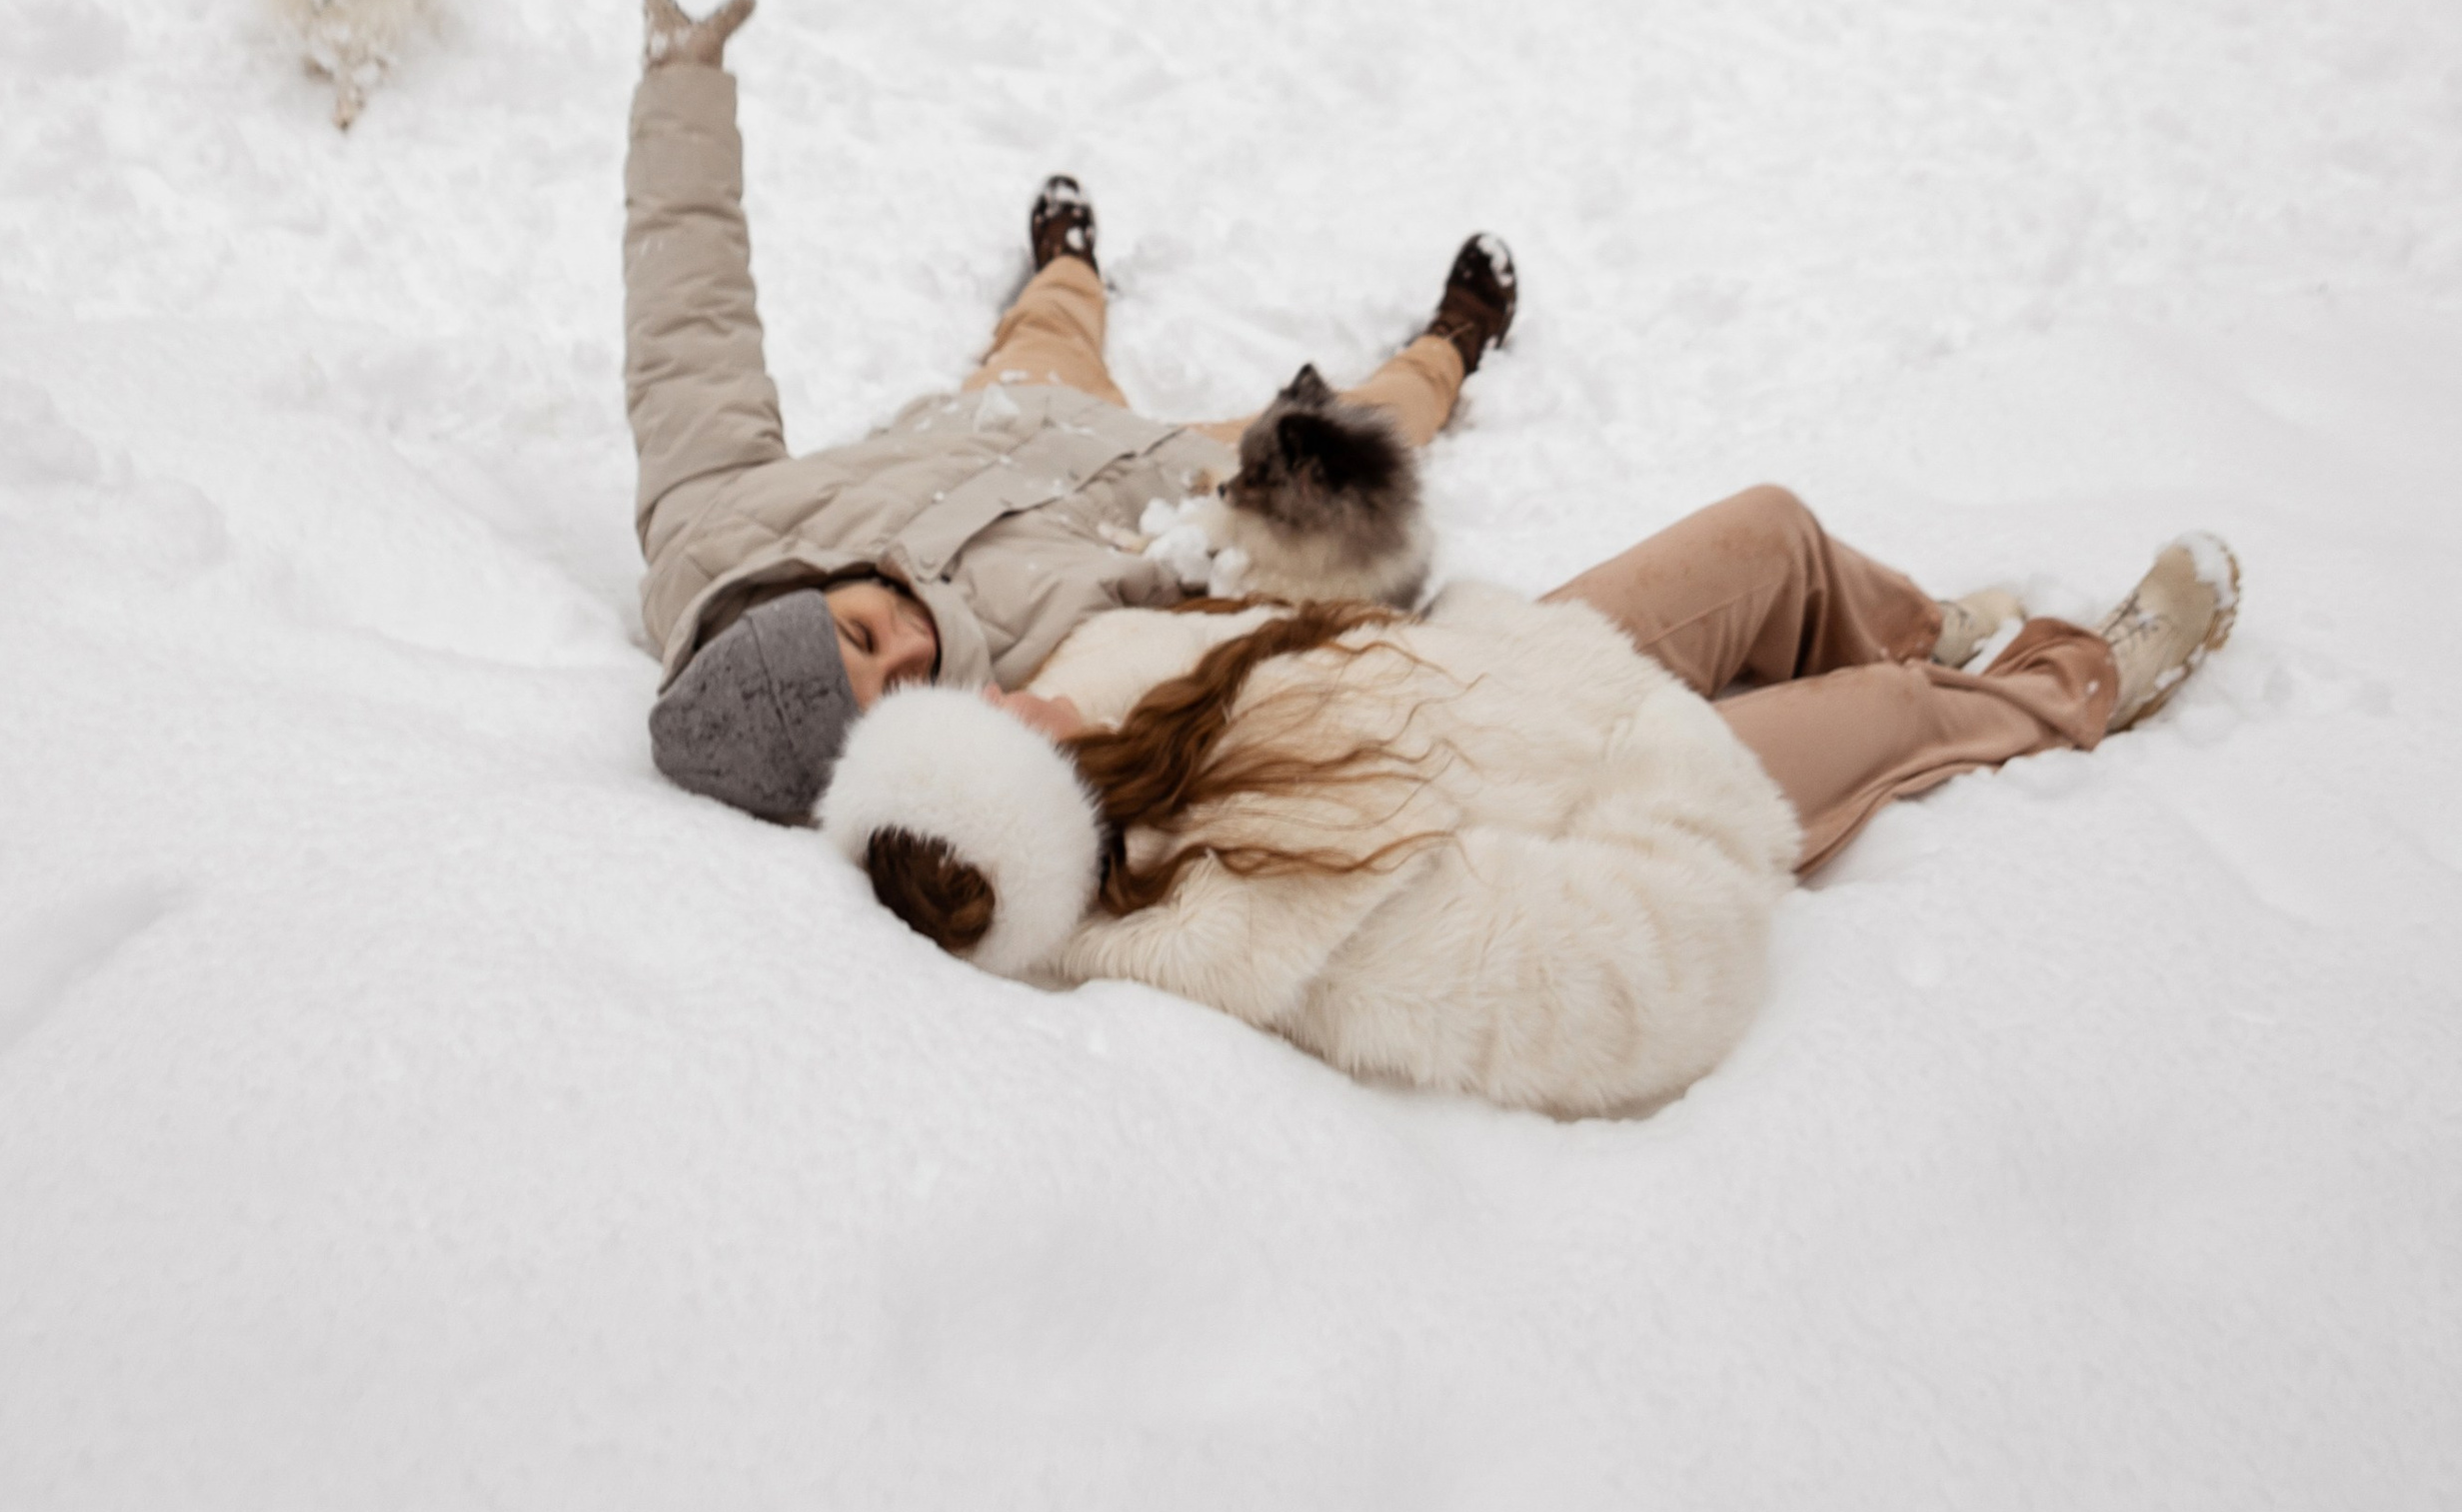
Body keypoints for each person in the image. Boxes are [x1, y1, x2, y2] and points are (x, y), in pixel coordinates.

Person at [816, 514, 2242, 1121]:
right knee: (1894, 720)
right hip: (1633, 776)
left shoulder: (1086, 686)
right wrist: (1678, 764)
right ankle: (2076, 682)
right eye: (983, 730)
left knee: (1771, 532)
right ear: (1039, 818)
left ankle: (1920, 616)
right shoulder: (1251, 910)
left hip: (1523, 668)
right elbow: (1642, 982)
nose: (994, 695)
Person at [625, 0, 1515, 825]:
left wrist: (681, 88)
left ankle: (1068, 267)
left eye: (861, 633)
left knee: (1046, 326)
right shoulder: (1013, 697)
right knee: (1372, 436)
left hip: (1011, 407)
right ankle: (1452, 345)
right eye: (896, 688)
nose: (913, 643)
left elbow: (688, 323)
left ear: (789, 605)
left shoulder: (714, 528)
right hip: (1171, 479)